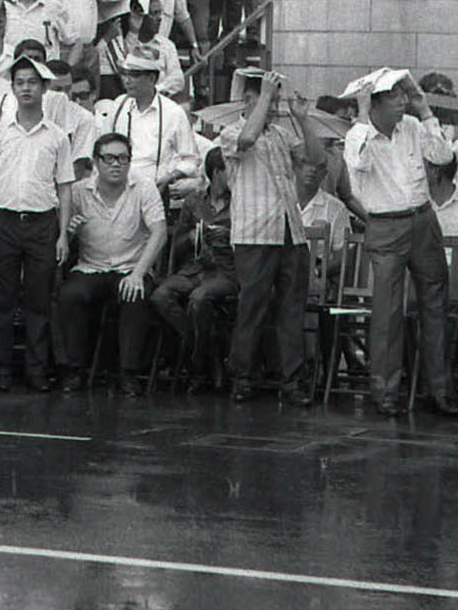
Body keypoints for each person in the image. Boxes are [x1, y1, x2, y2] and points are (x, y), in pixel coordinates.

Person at [341, 72, 458, 416]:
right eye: (393, 97)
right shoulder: (357, 135)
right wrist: (363, 115)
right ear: (374, 103)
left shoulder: (411, 124)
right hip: (385, 224)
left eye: (402, 95)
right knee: (388, 311)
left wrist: (425, 111)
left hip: (423, 219)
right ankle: (385, 391)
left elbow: (440, 156)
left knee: (436, 304)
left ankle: (439, 389)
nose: (402, 101)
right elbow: (358, 164)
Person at [218, 67, 324, 404]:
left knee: (292, 306)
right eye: (262, 97)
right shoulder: (230, 132)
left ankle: (292, 379)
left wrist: (303, 120)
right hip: (254, 232)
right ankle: (242, 375)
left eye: (273, 98)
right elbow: (246, 140)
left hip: (290, 230)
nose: (271, 105)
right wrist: (264, 96)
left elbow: (317, 160)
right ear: (245, 101)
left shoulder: (280, 135)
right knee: (253, 306)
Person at [0, 56, 75, 392]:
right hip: (4, 221)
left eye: (33, 82)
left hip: (42, 224)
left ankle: (36, 369)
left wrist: (62, 234)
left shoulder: (58, 137)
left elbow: (64, 187)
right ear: (13, 88)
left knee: (38, 299)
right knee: (1, 299)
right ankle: (0, 368)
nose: (26, 88)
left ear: (45, 87)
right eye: (20, 82)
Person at [57, 132, 169, 396]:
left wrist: (139, 273)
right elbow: (61, 234)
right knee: (70, 295)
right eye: (109, 158)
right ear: (96, 162)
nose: (116, 164)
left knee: (134, 295)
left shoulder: (143, 187)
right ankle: (74, 370)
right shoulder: (78, 191)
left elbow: (160, 231)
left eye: (123, 158)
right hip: (91, 266)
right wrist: (70, 231)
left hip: (131, 266)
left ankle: (128, 373)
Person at [148, 147, 238, 391]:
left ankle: (198, 364)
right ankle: (208, 348)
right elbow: (174, 246)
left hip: (226, 270)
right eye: (231, 169)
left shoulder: (241, 203)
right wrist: (189, 237)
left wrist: (229, 236)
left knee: (200, 299)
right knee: (160, 295)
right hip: (195, 267)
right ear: (217, 172)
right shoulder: (194, 201)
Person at [94, 47, 202, 200]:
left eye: (134, 75)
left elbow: (191, 159)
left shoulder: (173, 112)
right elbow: (101, 146)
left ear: (151, 78)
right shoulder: (119, 105)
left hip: (153, 192)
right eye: (125, 74)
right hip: (116, 190)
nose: (127, 80)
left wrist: (170, 177)